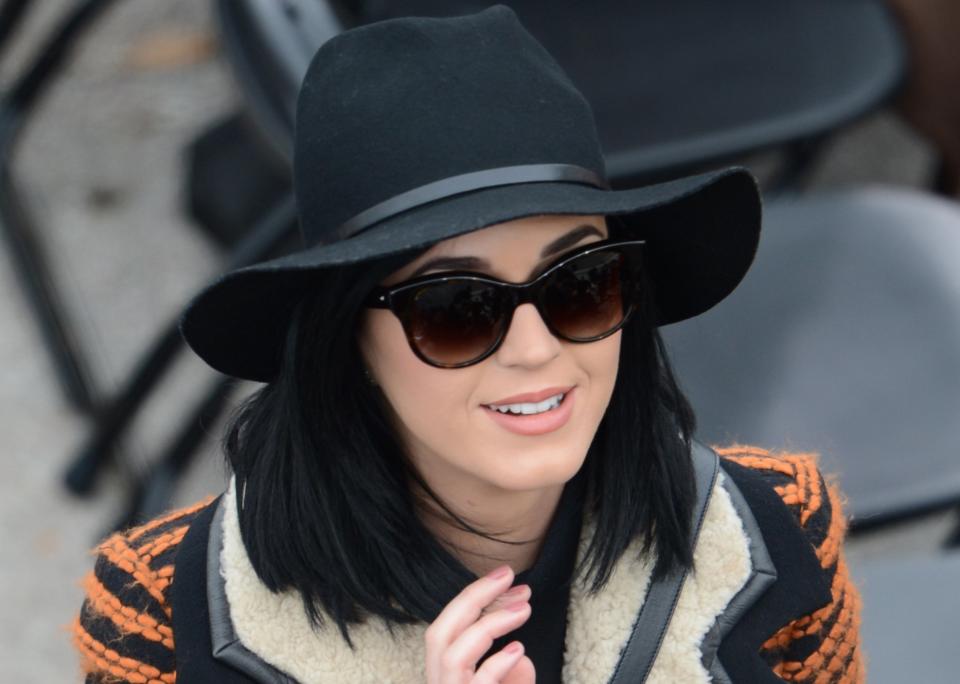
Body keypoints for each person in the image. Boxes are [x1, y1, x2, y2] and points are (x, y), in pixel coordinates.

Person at [73, 6, 862, 683]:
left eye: (580, 282)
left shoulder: (778, 528)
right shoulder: (159, 617)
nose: (534, 348)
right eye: (457, 307)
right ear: (347, 341)